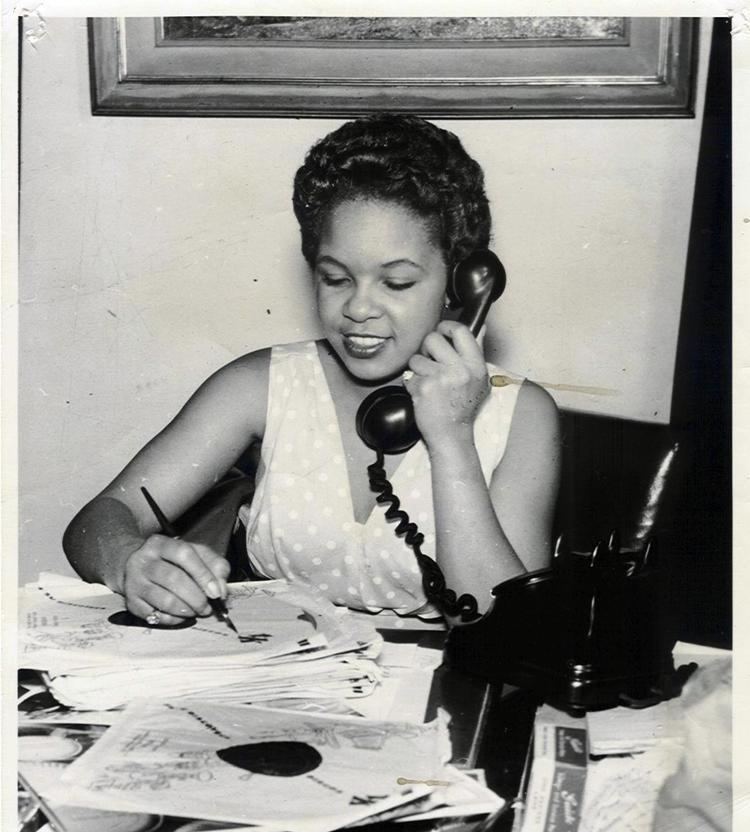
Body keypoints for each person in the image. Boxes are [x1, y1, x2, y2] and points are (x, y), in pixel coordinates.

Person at [63, 114, 561, 626]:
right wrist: (127, 562)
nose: (359, 309)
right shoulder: (258, 385)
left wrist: (453, 438)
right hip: (273, 679)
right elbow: (96, 521)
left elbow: (507, 624)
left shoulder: (521, 413)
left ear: (460, 285)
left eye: (397, 284)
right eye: (336, 277)